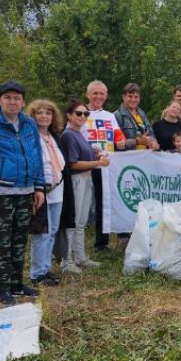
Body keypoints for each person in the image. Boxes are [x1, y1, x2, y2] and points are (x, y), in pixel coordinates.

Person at [0, 81, 45, 305]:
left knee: (19, 239)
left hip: (26, 190)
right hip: (1, 191)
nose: (13, 102)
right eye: (8, 98)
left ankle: (16, 284)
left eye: (17, 98)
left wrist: (39, 186)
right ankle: (0, 288)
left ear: (23, 101)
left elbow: (36, 155)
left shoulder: (29, 124)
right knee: (1, 242)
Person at [62, 99, 110, 271]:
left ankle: (80, 257)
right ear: (69, 115)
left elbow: (83, 158)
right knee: (73, 221)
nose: (83, 116)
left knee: (81, 221)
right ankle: (67, 261)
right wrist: (98, 164)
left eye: (86, 113)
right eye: (79, 113)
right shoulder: (68, 135)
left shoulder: (79, 133)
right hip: (76, 181)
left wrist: (95, 157)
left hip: (86, 179)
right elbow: (73, 164)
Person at [27, 99, 65, 287]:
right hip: (41, 190)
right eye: (39, 113)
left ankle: (45, 267)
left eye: (48, 113)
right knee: (41, 233)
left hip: (58, 189)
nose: (44, 116)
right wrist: (37, 187)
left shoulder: (53, 137)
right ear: (33, 116)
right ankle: (36, 274)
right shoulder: (30, 137)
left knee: (53, 230)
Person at [83, 80, 125, 252]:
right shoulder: (80, 112)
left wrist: (121, 141)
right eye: (95, 93)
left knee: (102, 204)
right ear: (88, 95)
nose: (98, 96)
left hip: (104, 166)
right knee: (81, 206)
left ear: (106, 96)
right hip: (84, 165)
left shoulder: (110, 116)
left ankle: (102, 243)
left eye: (101, 94)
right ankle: (72, 246)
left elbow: (118, 135)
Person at [113, 83, 159, 151]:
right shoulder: (116, 115)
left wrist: (155, 144)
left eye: (136, 97)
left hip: (145, 156)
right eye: (130, 96)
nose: (133, 99)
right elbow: (117, 143)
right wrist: (137, 141)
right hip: (128, 158)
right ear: (123, 97)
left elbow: (151, 133)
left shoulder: (143, 114)